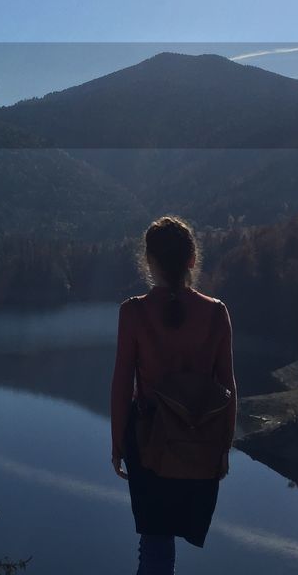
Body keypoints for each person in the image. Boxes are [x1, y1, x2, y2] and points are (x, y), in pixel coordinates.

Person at [110, 216, 236, 574]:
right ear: (192, 260)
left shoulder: (133, 312)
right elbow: (228, 385)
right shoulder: (216, 313)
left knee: (155, 544)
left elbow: (122, 384)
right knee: (166, 541)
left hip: (149, 444)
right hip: (201, 442)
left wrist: (118, 445)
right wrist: (224, 448)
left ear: (149, 261)